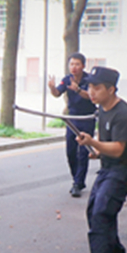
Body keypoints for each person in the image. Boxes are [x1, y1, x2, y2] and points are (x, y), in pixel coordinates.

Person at [76, 66, 127, 253]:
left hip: (122, 171)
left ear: (111, 89)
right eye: (89, 86)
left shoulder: (123, 113)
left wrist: (94, 143)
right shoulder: (102, 109)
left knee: (101, 212)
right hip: (108, 168)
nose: (91, 91)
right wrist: (97, 150)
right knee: (96, 210)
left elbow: (118, 149)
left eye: (97, 87)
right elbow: (108, 145)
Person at [47, 53, 96, 197]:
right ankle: (77, 179)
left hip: (87, 118)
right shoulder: (67, 79)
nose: (74, 67)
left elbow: (93, 97)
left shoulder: (90, 80)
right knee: (70, 152)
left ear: (83, 66)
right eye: (71, 64)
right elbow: (57, 93)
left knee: (83, 153)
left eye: (77, 64)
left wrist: (78, 90)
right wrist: (51, 88)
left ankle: (77, 183)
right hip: (72, 118)